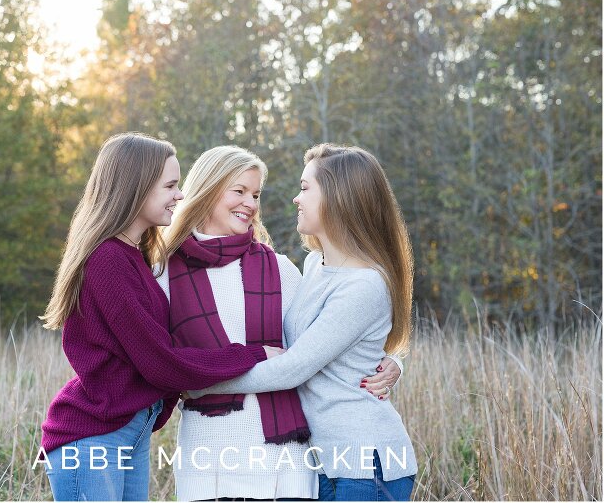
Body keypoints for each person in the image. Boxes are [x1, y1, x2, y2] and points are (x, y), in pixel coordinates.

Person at [38, 133, 278, 502]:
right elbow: (161, 363)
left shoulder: (134, 257)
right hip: (93, 438)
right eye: (170, 185)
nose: (179, 195)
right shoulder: (108, 260)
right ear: (136, 188)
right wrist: (253, 353)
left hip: (128, 432)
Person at [158, 146, 405, 501]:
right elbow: (151, 354)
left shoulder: (280, 269)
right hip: (208, 455)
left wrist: (395, 361)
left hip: (286, 460)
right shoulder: (162, 272)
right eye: (239, 191)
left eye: (256, 194)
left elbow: (329, 341)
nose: (251, 203)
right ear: (209, 190)